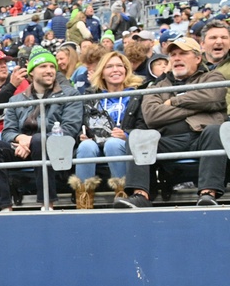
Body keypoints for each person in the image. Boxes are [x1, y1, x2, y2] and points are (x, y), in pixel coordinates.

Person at [115, 37, 227, 208]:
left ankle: (208, 194)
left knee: (215, 131)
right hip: (169, 140)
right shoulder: (157, 86)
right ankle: (140, 195)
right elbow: (152, 116)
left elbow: (213, 96)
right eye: (173, 54)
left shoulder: (212, 77)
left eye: (183, 53)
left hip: (202, 137)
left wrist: (173, 102)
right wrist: (200, 106)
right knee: (138, 137)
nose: (176, 58)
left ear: (198, 58)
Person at [0, 46, 83, 210]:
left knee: (39, 140)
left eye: (52, 66)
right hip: (23, 148)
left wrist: (30, 141)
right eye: (43, 66)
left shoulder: (70, 94)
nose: (49, 70)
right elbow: (7, 132)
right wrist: (20, 139)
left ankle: (47, 203)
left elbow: (69, 129)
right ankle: (4, 206)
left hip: (56, 147)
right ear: (31, 72)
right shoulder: (16, 99)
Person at [69, 52, 145, 209]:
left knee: (113, 144)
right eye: (109, 66)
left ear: (126, 70)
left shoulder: (137, 94)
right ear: (102, 72)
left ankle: (123, 194)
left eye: (119, 66)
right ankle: (84, 202)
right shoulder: (91, 96)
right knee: (85, 147)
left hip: (123, 144)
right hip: (96, 143)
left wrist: (126, 135)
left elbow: (143, 124)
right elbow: (80, 122)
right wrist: (81, 135)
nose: (115, 70)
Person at [200, 20, 230, 112]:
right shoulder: (192, 65)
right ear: (202, 44)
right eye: (213, 38)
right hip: (197, 118)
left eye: (224, 37)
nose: (219, 41)